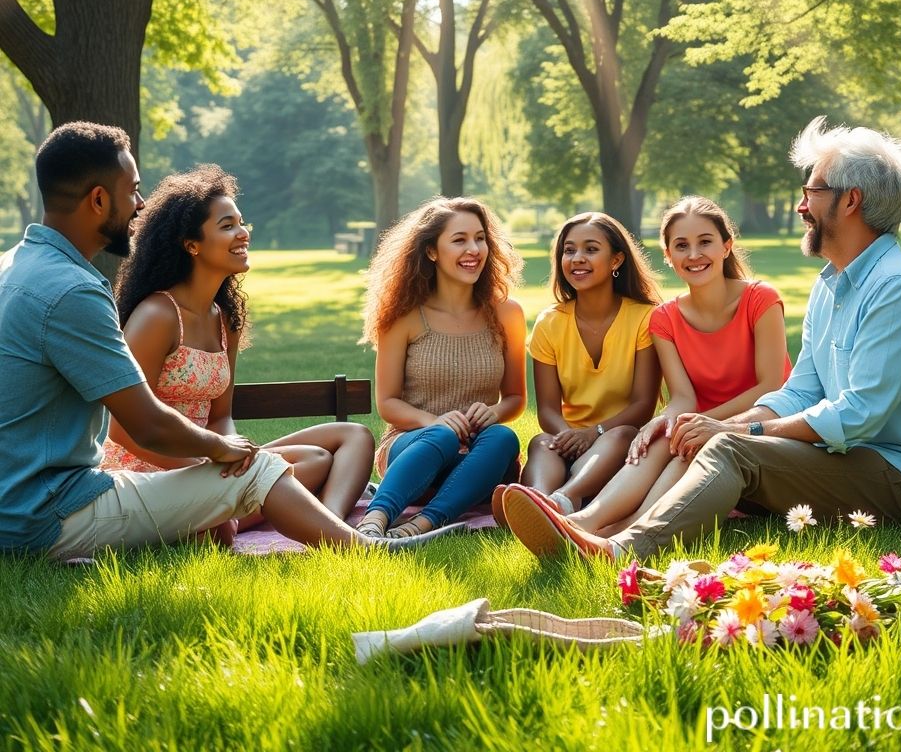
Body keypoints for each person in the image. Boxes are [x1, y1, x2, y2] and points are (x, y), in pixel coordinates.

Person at [501, 117, 901, 560]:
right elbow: (801, 391)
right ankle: (590, 527)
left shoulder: (895, 287)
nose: (802, 205)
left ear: (850, 201)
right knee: (700, 436)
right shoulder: (832, 284)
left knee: (727, 446)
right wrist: (710, 425)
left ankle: (620, 550)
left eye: (812, 191)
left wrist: (736, 429)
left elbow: (856, 416)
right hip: (851, 459)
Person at [0, 122, 429, 557]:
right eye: (132, 190)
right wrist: (221, 453)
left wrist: (223, 453)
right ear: (98, 200)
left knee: (285, 460)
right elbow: (142, 424)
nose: (140, 204)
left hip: (26, 501)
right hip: (46, 512)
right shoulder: (76, 291)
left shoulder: (14, 267)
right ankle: (364, 550)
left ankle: (324, 530)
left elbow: (209, 414)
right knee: (254, 471)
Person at [101, 166, 375, 541]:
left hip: (212, 459)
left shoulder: (224, 318)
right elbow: (123, 429)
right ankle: (306, 524)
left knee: (345, 441)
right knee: (297, 468)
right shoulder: (157, 315)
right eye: (227, 225)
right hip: (150, 470)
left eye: (242, 223)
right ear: (191, 244)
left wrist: (232, 456)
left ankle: (327, 527)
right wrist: (209, 468)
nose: (243, 233)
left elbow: (221, 416)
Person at [530, 196, 791, 537]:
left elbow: (770, 386)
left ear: (727, 247)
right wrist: (661, 422)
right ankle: (583, 521)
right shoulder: (665, 318)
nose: (694, 255)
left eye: (705, 242)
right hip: (700, 426)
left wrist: (703, 422)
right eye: (681, 245)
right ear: (668, 256)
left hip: (763, 425)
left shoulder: (761, 299)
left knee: (686, 444)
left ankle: (616, 530)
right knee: (659, 440)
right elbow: (682, 397)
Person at [355, 197, 526, 539]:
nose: (474, 249)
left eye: (480, 238)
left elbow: (516, 398)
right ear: (432, 251)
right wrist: (436, 423)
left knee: (503, 437)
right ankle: (375, 520)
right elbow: (387, 403)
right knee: (442, 436)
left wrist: (494, 413)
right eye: (459, 240)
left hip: (475, 463)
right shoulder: (402, 316)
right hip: (412, 452)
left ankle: (424, 524)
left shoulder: (508, 314)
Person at [514, 212, 662, 515]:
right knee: (542, 442)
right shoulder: (549, 323)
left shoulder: (645, 318)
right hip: (569, 440)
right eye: (569, 250)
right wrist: (569, 437)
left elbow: (643, 406)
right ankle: (537, 505)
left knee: (620, 435)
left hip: (624, 443)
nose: (577, 258)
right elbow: (548, 410)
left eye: (591, 249)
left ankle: (564, 499)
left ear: (616, 260)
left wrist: (593, 435)